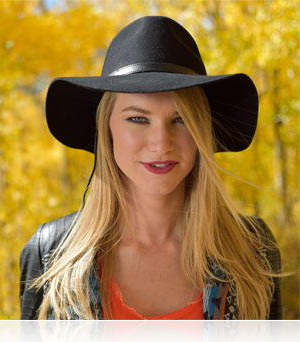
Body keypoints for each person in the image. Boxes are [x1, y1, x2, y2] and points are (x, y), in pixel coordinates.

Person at [19, 16, 282, 320]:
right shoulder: (51, 254)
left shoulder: (251, 251)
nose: (161, 142)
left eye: (181, 119)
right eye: (138, 119)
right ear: (106, 130)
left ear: (202, 131)